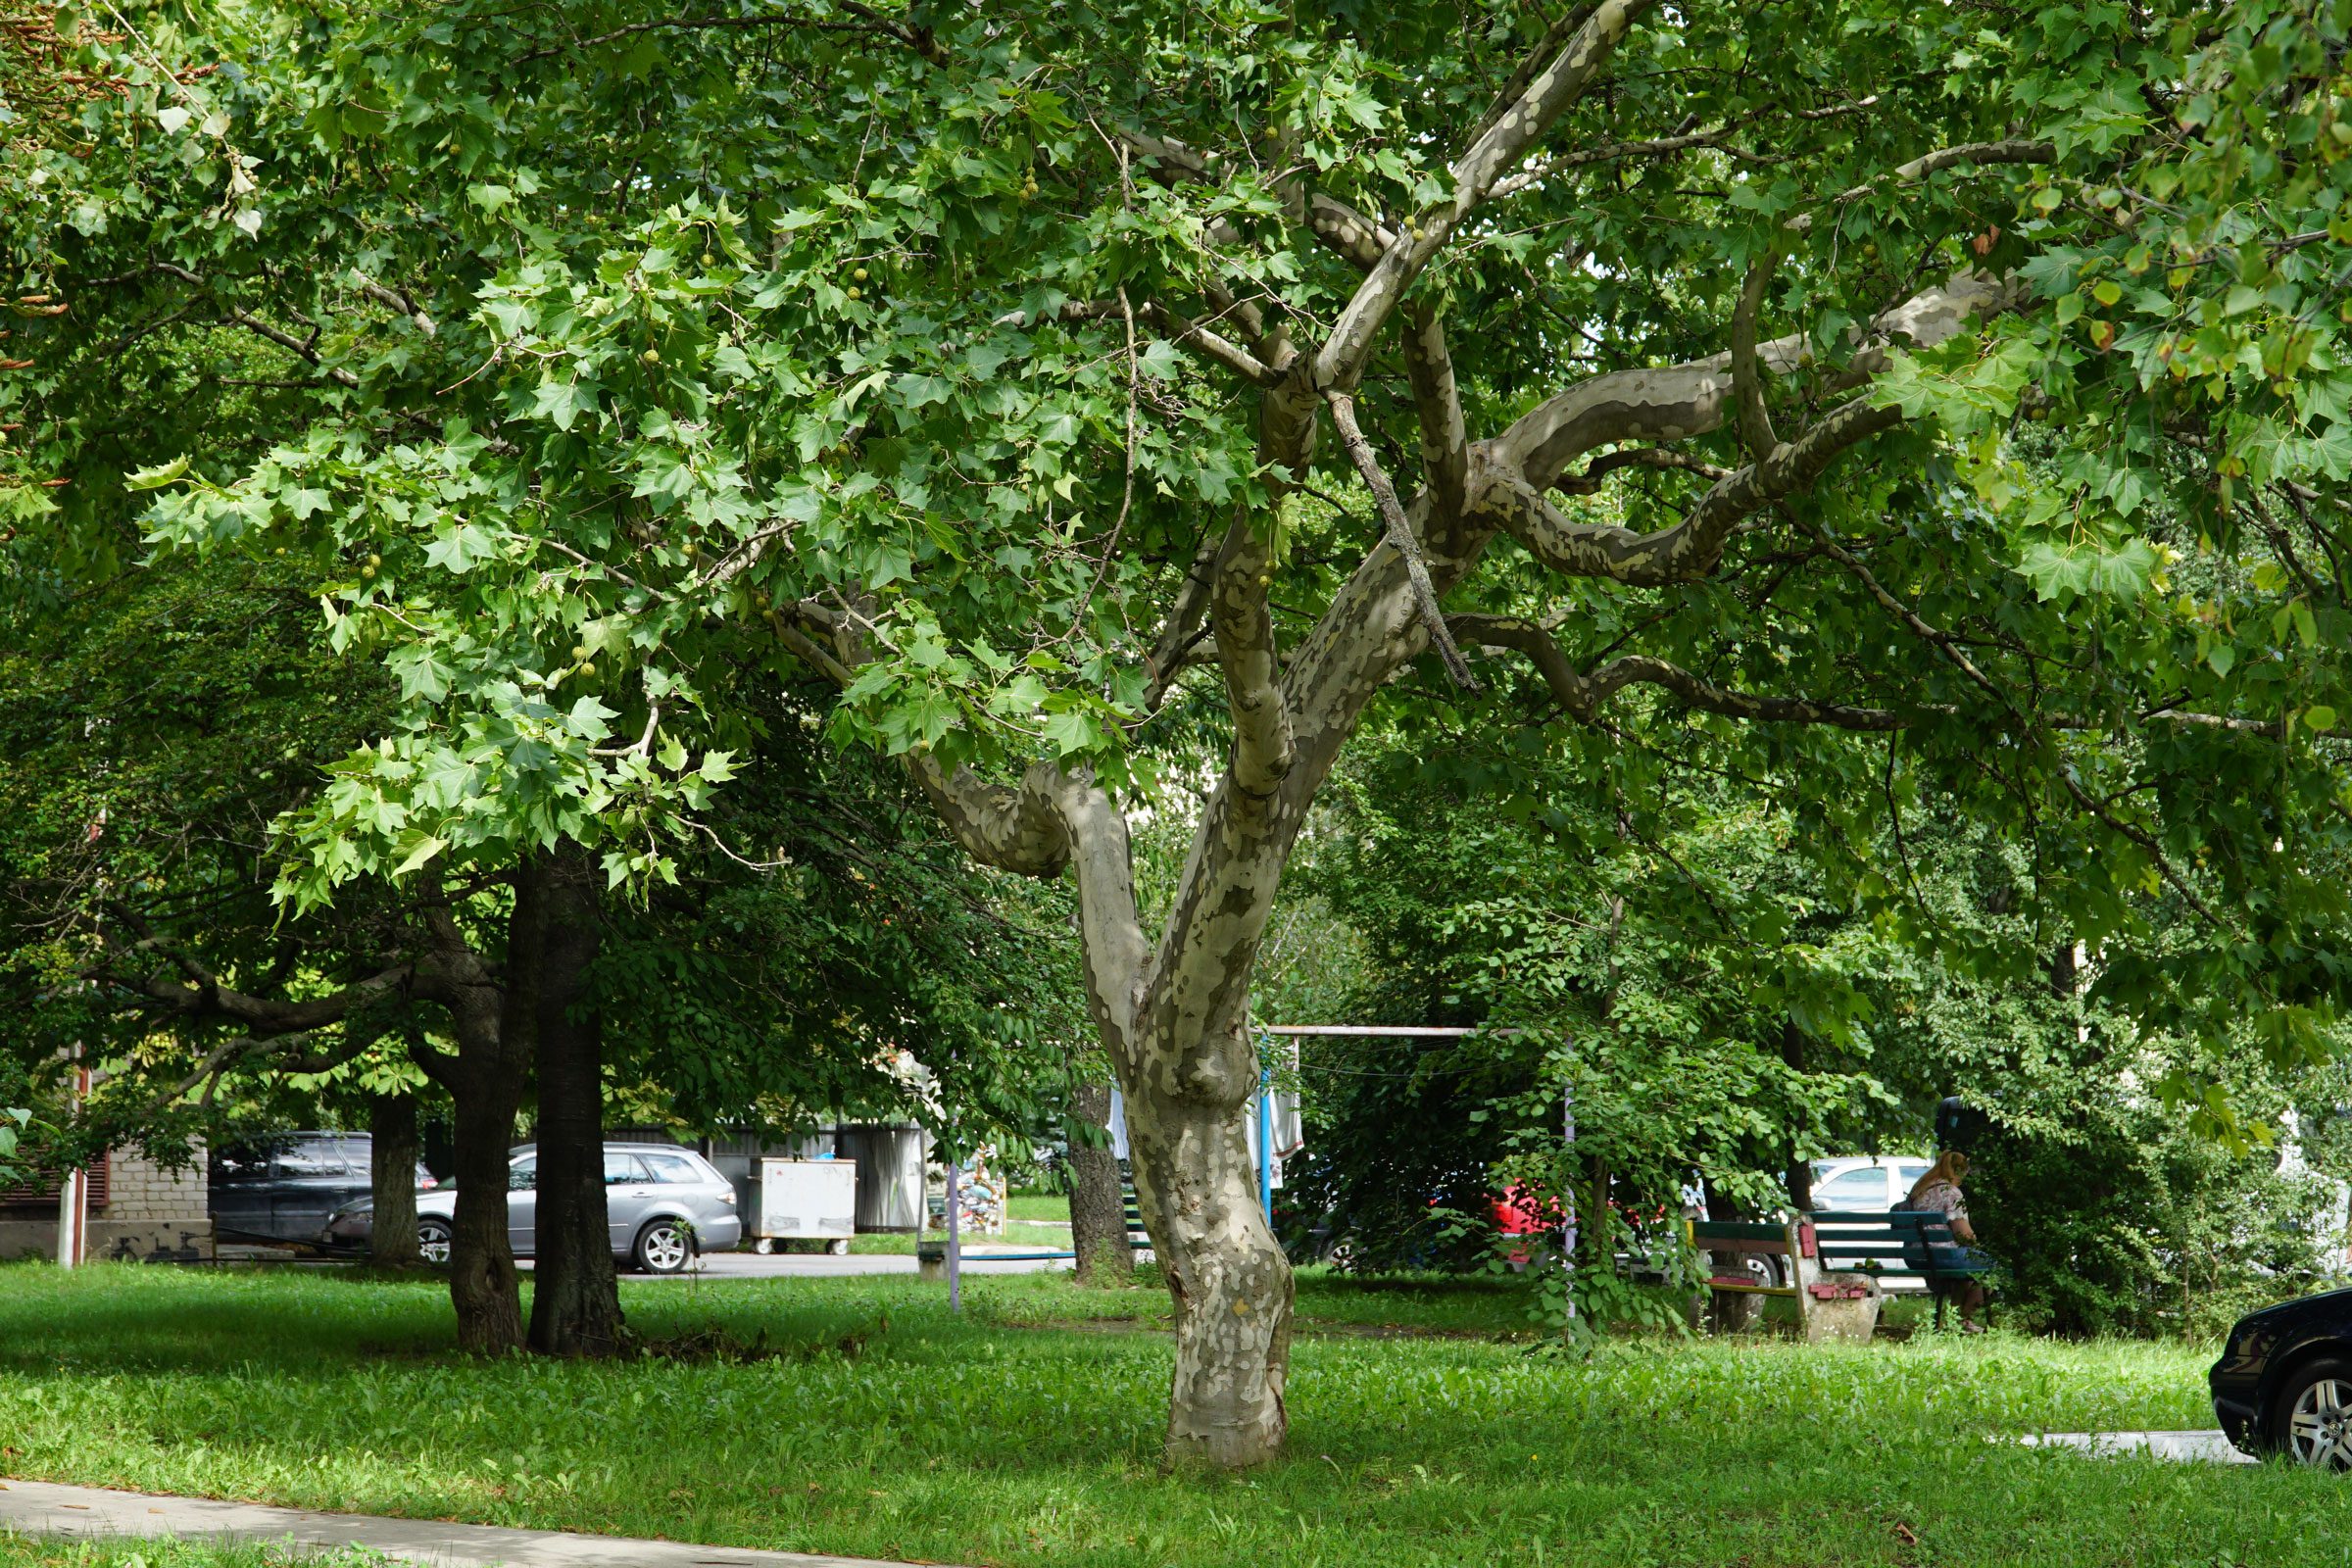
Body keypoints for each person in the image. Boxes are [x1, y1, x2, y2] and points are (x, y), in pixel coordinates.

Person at [1904, 1151, 1989, 1332]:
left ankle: (1956, 1321)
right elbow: (1964, 1234)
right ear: (1961, 1171)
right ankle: (1962, 1319)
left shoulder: (1920, 1190)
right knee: (1992, 1268)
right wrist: (1976, 1244)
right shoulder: (1951, 1192)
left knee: (1965, 1274)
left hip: (1916, 1256)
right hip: (1943, 1256)